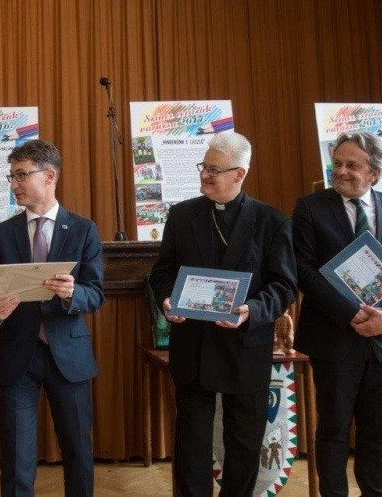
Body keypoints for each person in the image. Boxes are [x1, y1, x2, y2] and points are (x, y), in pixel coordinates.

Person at [149, 131, 297, 496]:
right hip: (194, 347)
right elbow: (163, 272)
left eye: (214, 170)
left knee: (244, 444)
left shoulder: (271, 221)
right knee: (191, 445)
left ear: (239, 174)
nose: (205, 175)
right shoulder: (182, 215)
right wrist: (167, 299)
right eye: (204, 166)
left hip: (244, 347)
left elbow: (283, 286)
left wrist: (252, 310)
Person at [292, 131, 382, 497]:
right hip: (333, 337)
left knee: (377, 435)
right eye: (337, 163)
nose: (341, 171)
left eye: (352, 165)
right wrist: (351, 313)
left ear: (374, 173)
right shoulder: (310, 207)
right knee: (333, 432)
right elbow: (303, 270)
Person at [0, 140, 103, 497]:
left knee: (78, 451)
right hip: (18, 356)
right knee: (16, 456)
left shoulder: (84, 230)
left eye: (21, 175)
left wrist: (72, 293)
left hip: (69, 357)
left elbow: (95, 294)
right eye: (11, 176)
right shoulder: (1, 234)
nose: (14, 184)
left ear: (49, 176)